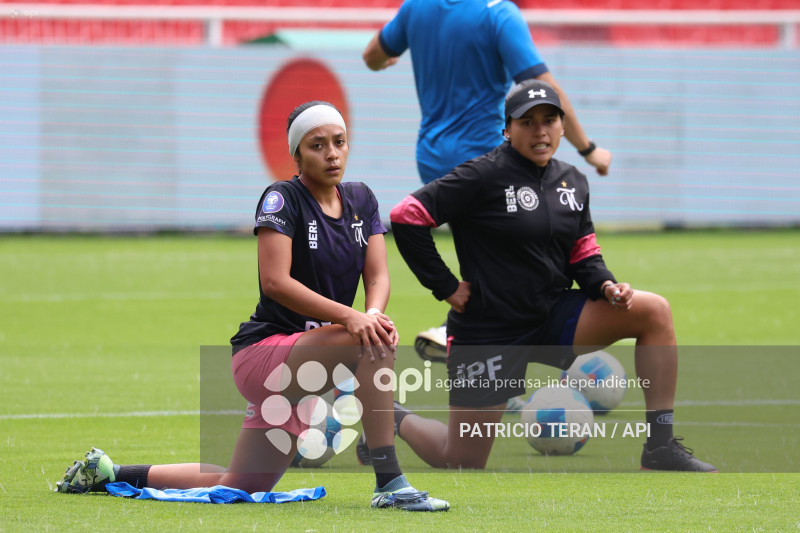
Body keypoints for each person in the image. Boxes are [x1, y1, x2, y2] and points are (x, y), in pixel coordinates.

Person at [54, 101, 450, 512]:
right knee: (372, 342)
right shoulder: (283, 198)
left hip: (308, 360)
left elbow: (378, 276)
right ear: (296, 154)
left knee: (239, 486)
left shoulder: (361, 199)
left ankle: (111, 472)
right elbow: (275, 282)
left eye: (339, 142)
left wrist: (370, 313)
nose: (332, 153)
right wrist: (353, 319)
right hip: (265, 356)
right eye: (317, 145)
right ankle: (389, 481)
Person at [385, 79, 717, 472]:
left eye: (549, 120)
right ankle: (390, 416)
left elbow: (584, 252)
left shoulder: (572, 181)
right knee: (460, 460)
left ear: (562, 126)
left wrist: (607, 285)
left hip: (553, 314)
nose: (540, 131)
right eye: (527, 122)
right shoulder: (482, 175)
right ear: (507, 129)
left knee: (654, 311)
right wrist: (445, 286)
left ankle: (660, 447)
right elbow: (406, 216)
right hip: (490, 328)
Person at [362, 0, 613, 363]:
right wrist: (588, 148)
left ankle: (485, 361)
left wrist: (385, 61)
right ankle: (466, 342)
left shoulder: (416, 7)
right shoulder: (497, 13)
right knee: (536, 257)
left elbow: (371, 55)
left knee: (490, 261)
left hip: (433, 156)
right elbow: (543, 87)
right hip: (487, 162)